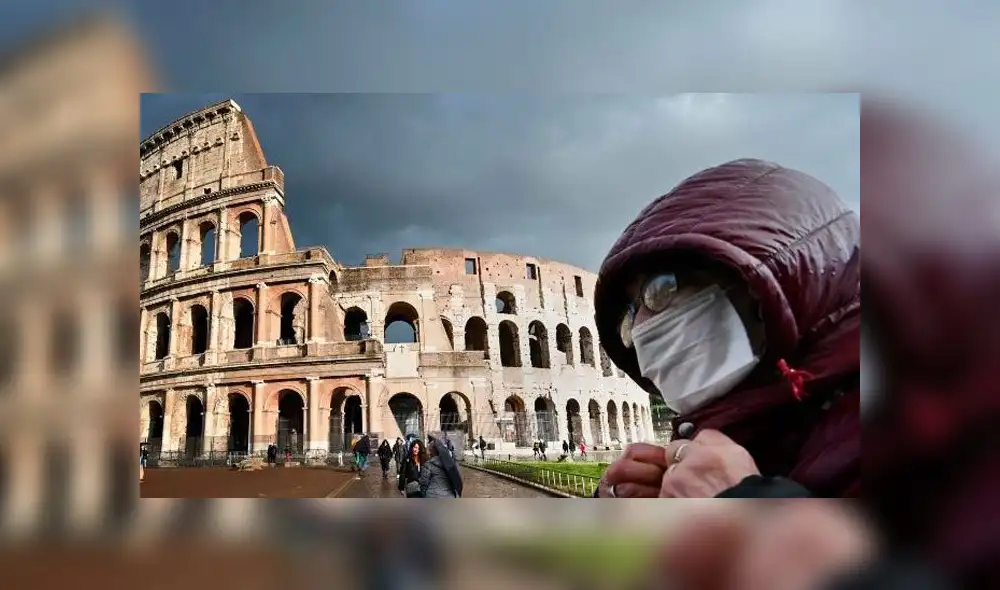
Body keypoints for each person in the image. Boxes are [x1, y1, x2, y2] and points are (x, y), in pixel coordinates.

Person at [593, 158, 859, 499]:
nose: (641, 329)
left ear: (763, 276)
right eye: (629, 317)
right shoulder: (734, 434)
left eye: (659, 290)